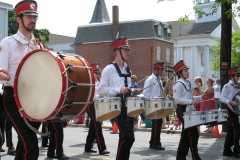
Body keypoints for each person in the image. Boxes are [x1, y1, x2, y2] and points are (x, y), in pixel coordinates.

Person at [0, 1, 43, 159]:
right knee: (31, 145)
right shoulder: (8, 43)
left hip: (34, 98)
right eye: (29, 16)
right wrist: (1, 75)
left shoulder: (38, 46)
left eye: (35, 16)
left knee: (24, 144)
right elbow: (1, 69)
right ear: (18, 19)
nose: (33, 19)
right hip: (13, 97)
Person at [98, 37, 141, 160]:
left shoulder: (128, 69)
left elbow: (126, 88)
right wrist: (118, 90)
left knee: (124, 137)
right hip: (117, 107)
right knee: (129, 137)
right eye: (125, 50)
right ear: (117, 52)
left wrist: (133, 90)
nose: (128, 52)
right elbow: (101, 90)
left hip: (128, 107)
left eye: (128, 50)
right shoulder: (108, 69)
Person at [173, 60, 203, 160]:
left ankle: (180, 157)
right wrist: (191, 101)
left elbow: (189, 97)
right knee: (193, 133)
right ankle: (195, 157)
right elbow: (177, 99)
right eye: (185, 71)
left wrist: (200, 97)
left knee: (186, 135)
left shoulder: (187, 82)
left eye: (187, 70)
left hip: (189, 109)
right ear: (180, 73)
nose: (187, 72)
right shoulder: (178, 84)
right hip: (182, 109)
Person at [84, 62, 110, 155]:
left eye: (99, 73)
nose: (98, 75)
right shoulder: (88, 83)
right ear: (92, 73)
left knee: (93, 126)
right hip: (90, 105)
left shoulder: (99, 83)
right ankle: (102, 148)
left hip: (98, 105)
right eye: (96, 73)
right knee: (97, 126)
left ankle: (88, 146)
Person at [142, 62, 165, 150]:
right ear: (156, 70)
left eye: (162, 69)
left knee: (158, 123)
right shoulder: (150, 79)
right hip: (153, 104)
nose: (162, 71)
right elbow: (145, 92)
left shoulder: (159, 79)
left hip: (158, 103)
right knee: (156, 123)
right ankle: (155, 143)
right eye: (161, 69)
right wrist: (156, 97)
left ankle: (153, 142)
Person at [220, 67, 240, 158]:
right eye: (237, 75)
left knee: (231, 130)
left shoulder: (237, 86)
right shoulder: (227, 86)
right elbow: (222, 98)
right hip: (231, 110)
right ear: (232, 76)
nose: (238, 77)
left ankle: (227, 150)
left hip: (236, 110)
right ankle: (236, 151)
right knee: (237, 129)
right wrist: (230, 101)